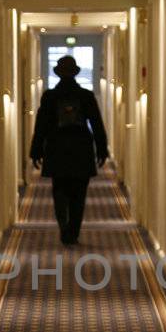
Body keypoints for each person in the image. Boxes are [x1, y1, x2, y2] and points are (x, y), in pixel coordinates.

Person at [29, 55, 109, 245]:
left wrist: (36, 150)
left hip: (57, 148)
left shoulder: (50, 96)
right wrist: (102, 150)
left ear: (59, 74)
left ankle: (63, 227)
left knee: (59, 191)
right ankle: (73, 231)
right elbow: (97, 124)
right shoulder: (86, 96)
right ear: (75, 73)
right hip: (81, 149)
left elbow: (41, 125)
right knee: (79, 194)